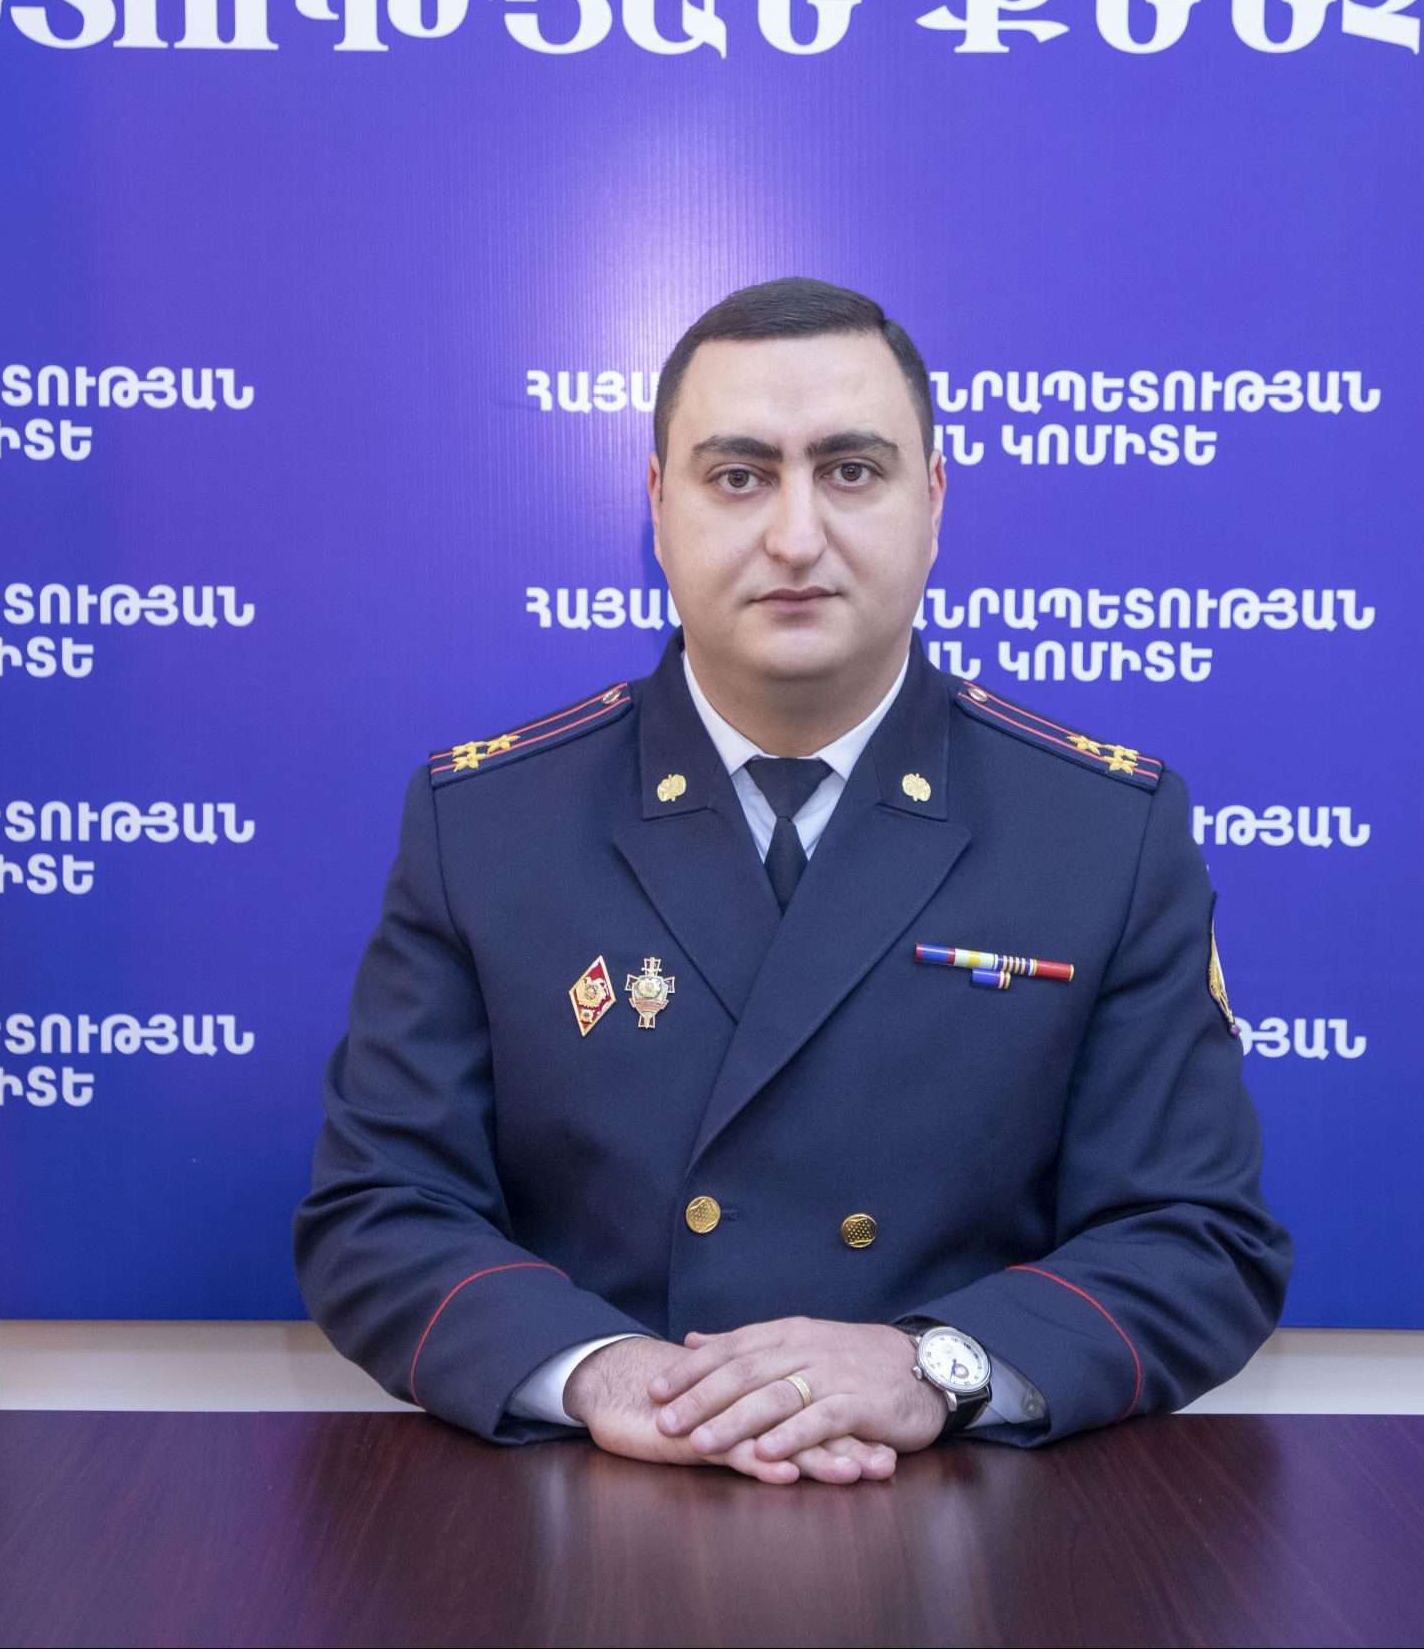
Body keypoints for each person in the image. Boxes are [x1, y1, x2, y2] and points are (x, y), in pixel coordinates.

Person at [294, 277, 1289, 1485]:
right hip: (592, 1498)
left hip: (971, 1513)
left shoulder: (1100, 830)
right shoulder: (489, 822)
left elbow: (1197, 1239)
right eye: (739, 475)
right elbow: (380, 1212)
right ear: (657, 506)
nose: (796, 536)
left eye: (852, 471)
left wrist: (934, 1367)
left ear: (934, 501)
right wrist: (603, 1373)